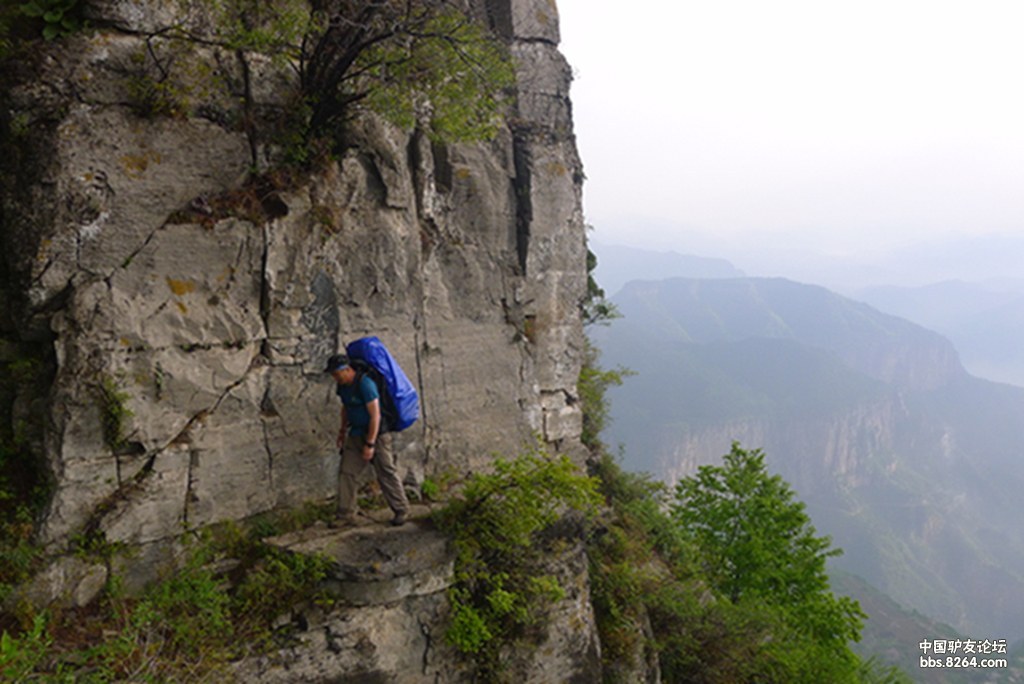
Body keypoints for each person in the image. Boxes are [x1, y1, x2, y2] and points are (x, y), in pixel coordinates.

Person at [325, 353, 409, 527]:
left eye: (336, 374)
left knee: (385, 471)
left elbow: (375, 416)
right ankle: (346, 514)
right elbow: (346, 407)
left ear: (347, 370)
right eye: (333, 375)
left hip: (377, 435)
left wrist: (370, 444)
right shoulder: (342, 385)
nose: (335, 378)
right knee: (347, 472)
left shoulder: (365, 384)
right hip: (355, 433)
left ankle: (401, 509)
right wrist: (342, 431)